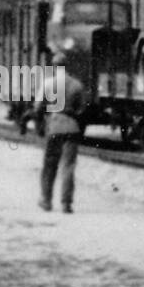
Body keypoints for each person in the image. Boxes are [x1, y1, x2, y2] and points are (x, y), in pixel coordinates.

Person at [39, 51, 87, 213]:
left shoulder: (47, 84)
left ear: (54, 67)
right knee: (68, 166)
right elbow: (82, 109)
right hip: (72, 128)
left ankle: (46, 201)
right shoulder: (77, 85)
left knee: (49, 165)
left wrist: (44, 119)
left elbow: (38, 106)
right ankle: (66, 203)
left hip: (54, 126)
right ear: (67, 66)